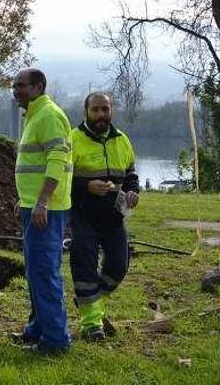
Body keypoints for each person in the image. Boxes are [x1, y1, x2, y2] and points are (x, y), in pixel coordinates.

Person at [11, 68, 73, 354]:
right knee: (35, 271)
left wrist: (42, 201)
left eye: (21, 86)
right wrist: (26, 200)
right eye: (14, 86)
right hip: (33, 206)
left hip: (47, 210)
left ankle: (56, 340)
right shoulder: (35, 115)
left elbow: (57, 160)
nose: (16, 91)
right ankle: (38, 328)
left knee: (44, 272)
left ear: (39, 87)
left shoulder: (49, 115)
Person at [69, 92, 139, 341]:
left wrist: (132, 190)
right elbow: (62, 178)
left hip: (114, 215)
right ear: (86, 111)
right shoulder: (73, 139)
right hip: (82, 214)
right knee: (85, 264)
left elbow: (130, 172)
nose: (101, 114)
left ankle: (88, 301)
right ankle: (92, 325)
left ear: (111, 111)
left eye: (105, 109)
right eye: (96, 110)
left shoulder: (122, 139)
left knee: (119, 266)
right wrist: (86, 186)